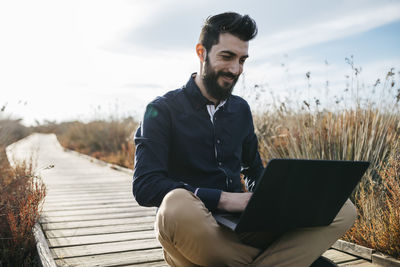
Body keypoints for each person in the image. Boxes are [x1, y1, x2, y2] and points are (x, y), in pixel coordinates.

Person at [133, 12, 357, 267]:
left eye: (242, 60)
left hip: (244, 227)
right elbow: (145, 186)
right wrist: (224, 198)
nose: (235, 69)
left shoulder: (241, 110)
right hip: (193, 230)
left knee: (343, 207)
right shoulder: (162, 110)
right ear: (201, 52)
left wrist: (272, 197)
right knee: (176, 203)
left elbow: (252, 169)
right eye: (227, 57)